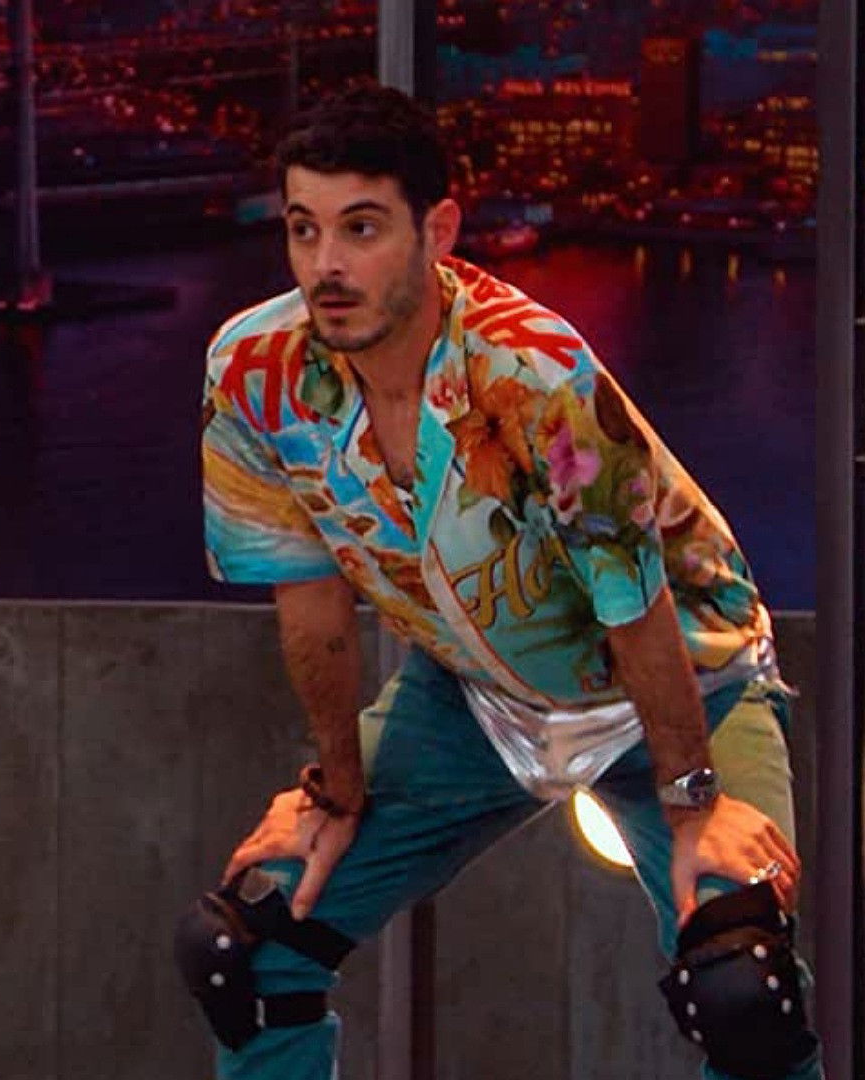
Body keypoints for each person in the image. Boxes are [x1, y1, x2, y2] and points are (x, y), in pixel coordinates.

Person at [176, 85, 822, 1080]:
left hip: (687, 682)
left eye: (361, 229)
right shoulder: (255, 371)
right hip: (475, 698)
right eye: (305, 229)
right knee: (247, 949)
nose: (326, 266)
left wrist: (696, 801)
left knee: (743, 985)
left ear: (437, 230)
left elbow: (635, 607)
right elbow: (312, 606)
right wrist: (334, 790)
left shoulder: (535, 374)